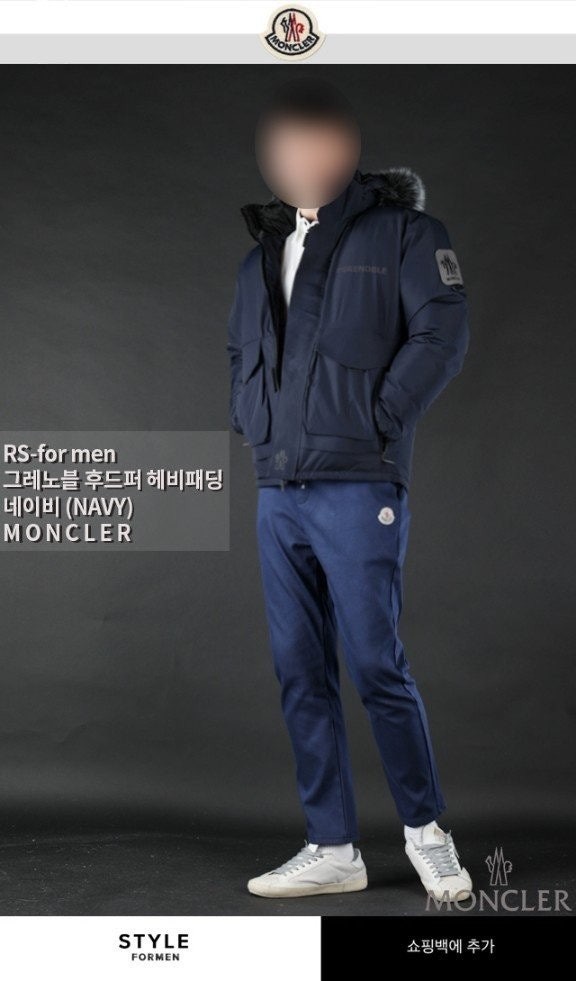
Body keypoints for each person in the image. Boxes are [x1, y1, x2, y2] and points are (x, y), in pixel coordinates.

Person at [226, 78, 472, 902]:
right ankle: (332, 845)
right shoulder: (262, 254)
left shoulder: (405, 234)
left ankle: (427, 833)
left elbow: (442, 332)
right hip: (279, 490)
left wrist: (376, 420)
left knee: (374, 662)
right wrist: (254, 424)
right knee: (299, 668)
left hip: (359, 484)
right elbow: (241, 355)